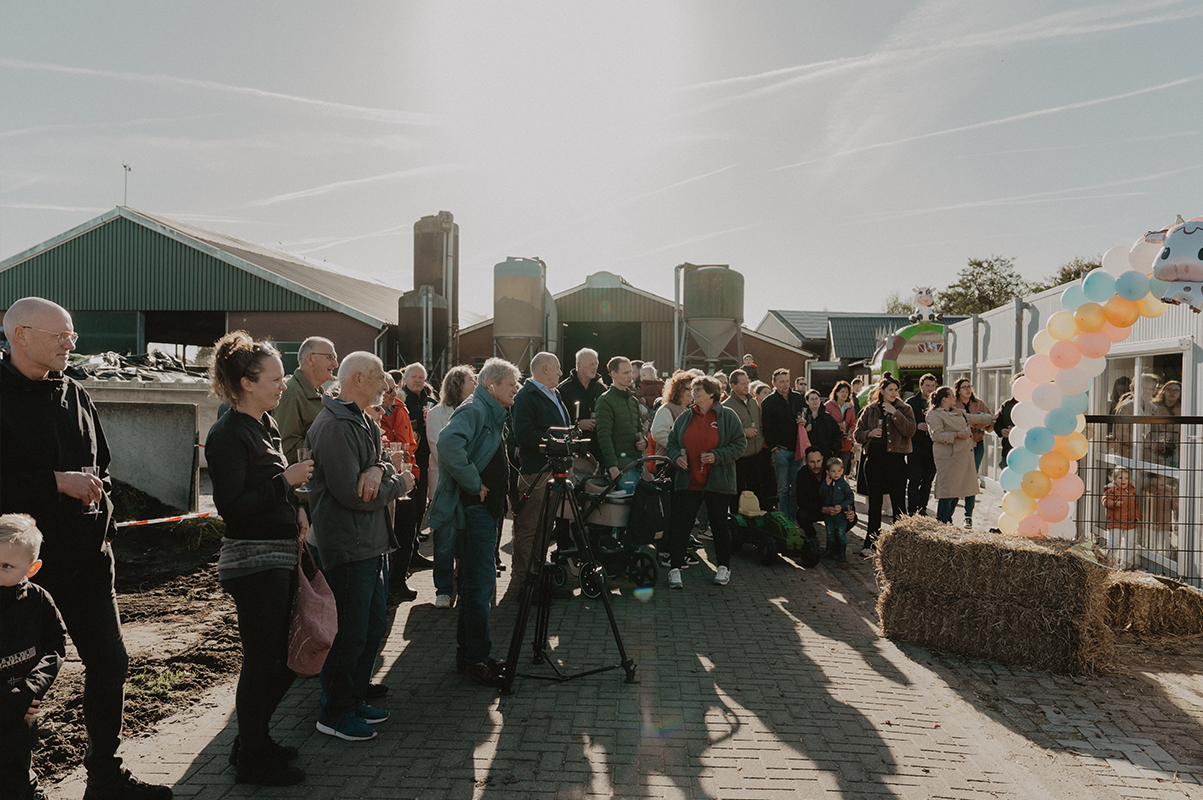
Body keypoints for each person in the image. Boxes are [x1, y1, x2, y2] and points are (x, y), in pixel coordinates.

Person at [0, 297, 173, 800]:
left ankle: (104, 775)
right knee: (18, 680)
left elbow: (104, 468)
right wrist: (54, 483)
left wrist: (106, 524)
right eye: (61, 335)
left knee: (110, 664)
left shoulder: (75, 392)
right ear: (20, 336)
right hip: (19, 572)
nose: (71, 344)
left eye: (72, 335)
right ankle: (18, 783)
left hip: (90, 563)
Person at [205, 332, 313, 785]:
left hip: (280, 554)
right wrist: (285, 482)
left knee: (284, 656)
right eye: (275, 378)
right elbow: (232, 506)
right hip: (252, 562)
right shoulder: (227, 433)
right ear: (247, 383)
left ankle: (254, 740)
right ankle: (250, 756)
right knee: (263, 659)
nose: (283, 384)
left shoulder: (265, 425)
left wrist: (298, 507)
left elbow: (274, 490)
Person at [307, 352, 413, 742]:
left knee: (370, 628)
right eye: (380, 377)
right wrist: (398, 483)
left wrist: (379, 469)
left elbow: (382, 462)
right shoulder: (335, 426)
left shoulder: (362, 419)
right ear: (357, 378)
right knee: (349, 633)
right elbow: (352, 495)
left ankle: (352, 697)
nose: (387, 384)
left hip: (370, 543)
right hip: (349, 545)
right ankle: (334, 712)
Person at [426, 358, 520, 687]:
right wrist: (473, 484)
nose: (516, 389)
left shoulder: (489, 409)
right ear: (491, 385)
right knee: (479, 587)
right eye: (511, 384)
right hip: (475, 511)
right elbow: (449, 444)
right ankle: (476, 658)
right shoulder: (476, 409)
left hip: (484, 510)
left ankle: (471, 655)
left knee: (472, 586)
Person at [0, 514, 66, 800]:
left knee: (18, 774)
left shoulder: (38, 600)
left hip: (22, 710)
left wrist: (31, 689)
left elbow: (55, 646)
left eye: (6, 566)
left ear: (32, 567)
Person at [664, 376, 746, 589]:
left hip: (717, 482)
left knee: (719, 525)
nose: (694, 393)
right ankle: (675, 569)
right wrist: (676, 457)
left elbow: (740, 444)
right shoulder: (685, 417)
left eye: (698, 390)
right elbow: (672, 442)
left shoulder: (728, 416)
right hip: (688, 481)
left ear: (711, 393)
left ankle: (723, 567)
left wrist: (717, 456)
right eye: (693, 390)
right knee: (682, 525)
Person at [510, 352, 572, 582]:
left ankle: (536, 573)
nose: (560, 372)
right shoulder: (527, 396)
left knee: (545, 526)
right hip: (536, 471)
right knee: (530, 527)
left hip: (553, 470)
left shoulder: (553, 394)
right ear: (545, 369)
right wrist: (556, 441)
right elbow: (523, 435)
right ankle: (525, 579)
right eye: (557, 368)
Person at [425, 365, 477, 609]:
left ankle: (465, 585)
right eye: (471, 380)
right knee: (444, 541)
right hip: (445, 487)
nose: (475, 384)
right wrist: (467, 470)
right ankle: (443, 590)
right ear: (458, 384)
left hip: (469, 486)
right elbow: (439, 451)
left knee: (466, 540)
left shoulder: (475, 411)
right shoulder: (437, 414)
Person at [854, 375, 916, 556]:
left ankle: (901, 544)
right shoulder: (870, 410)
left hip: (896, 461)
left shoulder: (905, 409)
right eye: (890, 390)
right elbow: (857, 434)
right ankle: (871, 543)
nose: (894, 393)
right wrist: (869, 433)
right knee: (875, 504)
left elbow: (910, 431)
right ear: (881, 391)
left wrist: (895, 413)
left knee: (898, 504)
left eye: (896, 390)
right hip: (874, 461)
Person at [379, 372, 426, 605]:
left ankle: (399, 582)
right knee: (391, 537)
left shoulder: (401, 407)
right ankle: (387, 587)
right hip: (388, 482)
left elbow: (410, 443)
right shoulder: (373, 413)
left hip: (408, 477)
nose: (390, 394)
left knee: (408, 533)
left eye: (393, 390)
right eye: (386, 390)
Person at [926, 385, 993, 528]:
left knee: (957, 489)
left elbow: (976, 418)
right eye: (951, 396)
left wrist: (991, 418)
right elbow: (936, 435)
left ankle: (948, 521)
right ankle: (942, 522)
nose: (954, 398)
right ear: (944, 399)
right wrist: (957, 435)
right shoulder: (934, 414)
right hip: (947, 456)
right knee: (947, 490)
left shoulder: (959, 412)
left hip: (963, 456)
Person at [275, 337, 338, 462]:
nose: (335, 364)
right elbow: (287, 450)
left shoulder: (320, 393)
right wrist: (334, 447)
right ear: (310, 359)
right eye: (330, 357)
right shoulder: (291, 393)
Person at [399, 362, 437, 560]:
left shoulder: (430, 401)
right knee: (408, 510)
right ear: (405, 378)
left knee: (420, 506)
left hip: (425, 460)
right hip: (407, 463)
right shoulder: (400, 399)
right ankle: (407, 555)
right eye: (413, 377)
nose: (417, 381)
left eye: (421, 377)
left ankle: (414, 551)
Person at [761, 368, 806, 517]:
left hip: (797, 449)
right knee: (782, 488)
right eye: (781, 382)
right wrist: (773, 447)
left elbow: (807, 415)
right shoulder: (768, 402)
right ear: (774, 383)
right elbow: (766, 427)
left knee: (796, 487)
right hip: (780, 450)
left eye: (787, 381)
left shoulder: (798, 398)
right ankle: (782, 518)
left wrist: (805, 421)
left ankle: (792, 519)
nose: (785, 384)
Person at [594, 356, 646, 486]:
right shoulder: (605, 401)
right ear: (613, 374)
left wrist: (643, 441)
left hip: (636, 464)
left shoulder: (633, 400)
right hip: (619, 467)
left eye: (631, 372)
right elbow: (604, 436)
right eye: (625, 372)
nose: (631, 376)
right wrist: (612, 465)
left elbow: (639, 429)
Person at [722, 369, 764, 513]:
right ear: (733, 386)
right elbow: (723, 433)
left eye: (747, 383)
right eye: (742, 384)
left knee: (756, 492)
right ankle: (736, 526)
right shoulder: (727, 406)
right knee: (737, 493)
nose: (746, 386)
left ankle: (754, 528)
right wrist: (742, 433)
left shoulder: (753, 402)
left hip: (755, 455)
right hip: (738, 458)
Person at [558, 348, 606, 459]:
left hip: (598, 449)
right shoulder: (564, 389)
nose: (595, 367)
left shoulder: (601, 389)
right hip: (573, 450)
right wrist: (577, 426)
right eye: (591, 364)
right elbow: (556, 419)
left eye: (596, 364)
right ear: (579, 365)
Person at [905, 373, 938, 516]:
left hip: (932, 447)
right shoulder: (911, 402)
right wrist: (916, 426)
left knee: (928, 480)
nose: (930, 389)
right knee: (914, 479)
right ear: (921, 386)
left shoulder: (938, 403)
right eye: (927, 386)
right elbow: (904, 423)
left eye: (933, 386)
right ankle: (911, 509)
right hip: (915, 446)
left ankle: (922, 508)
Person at [818, 458, 855, 562]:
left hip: (840, 514)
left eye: (838, 471)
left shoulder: (843, 485)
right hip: (829, 513)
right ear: (828, 472)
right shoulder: (827, 483)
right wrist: (826, 484)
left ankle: (841, 553)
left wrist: (842, 505)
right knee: (829, 531)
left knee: (840, 532)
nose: (836, 473)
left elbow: (850, 497)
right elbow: (821, 494)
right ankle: (828, 550)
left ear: (842, 471)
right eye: (833, 471)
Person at [953, 378, 992, 475]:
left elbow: (991, 420)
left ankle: (971, 490)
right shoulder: (953, 404)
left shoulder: (979, 403)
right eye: (964, 387)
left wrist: (975, 425)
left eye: (969, 386)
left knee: (973, 472)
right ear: (958, 391)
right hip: (960, 444)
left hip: (977, 443)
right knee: (961, 473)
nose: (967, 389)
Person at [1101, 468, 1138, 568]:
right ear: (1114, 479)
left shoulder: (1131, 490)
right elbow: (1105, 501)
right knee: (1114, 543)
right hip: (1115, 521)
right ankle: (1110, 562)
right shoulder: (1112, 490)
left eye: (1126, 478)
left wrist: (1136, 517)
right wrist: (1114, 503)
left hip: (1130, 522)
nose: (1123, 480)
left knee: (1130, 544)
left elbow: (1135, 506)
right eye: (1120, 478)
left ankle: (1127, 563)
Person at [794, 447, 829, 537]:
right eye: (812, 462)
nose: (816, 465)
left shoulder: (831, 470)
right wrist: (822, 509)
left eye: (818, 461)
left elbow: (846, 491)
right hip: (814, 509)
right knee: (801, 515)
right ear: (806, 461)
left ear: (822, 458)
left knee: (851, 518)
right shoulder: (802, 474)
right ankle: (811, 537)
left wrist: (849, 510)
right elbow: (801, 501)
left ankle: (836, 539)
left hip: (833, 507)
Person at [826, 381, 857, 474]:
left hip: (846, 443)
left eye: (847, 392)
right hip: (833, 443)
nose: (844, 394)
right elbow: (825, 423)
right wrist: (836, 427)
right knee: (831, 469)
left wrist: (850, 431)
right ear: (836, 392)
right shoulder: (828, 406)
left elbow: (853, 424)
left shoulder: (850, 407)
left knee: (841, 470)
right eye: (842, 391)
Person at [993, 372, 1023, 470]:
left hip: (1026, 451)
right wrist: (1001, 430)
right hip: (1007, 451)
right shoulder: (1006, 405)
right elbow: (997, 424)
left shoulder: (1033, 405)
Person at [801, 390, 841, 462]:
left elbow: (837, 434)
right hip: (807, 456)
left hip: (825, 454)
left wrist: (833, 450)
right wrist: (804, 431)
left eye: (816, 398)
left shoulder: (828, 417)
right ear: (807, 401)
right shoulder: (803, 418)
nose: (815, 401)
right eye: (812, 399)